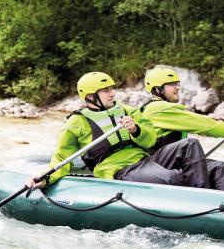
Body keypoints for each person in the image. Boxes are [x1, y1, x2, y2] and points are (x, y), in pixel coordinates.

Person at [26, 71, 163, 189]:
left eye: (112, 89)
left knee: (178, 148)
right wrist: (45, 179)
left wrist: (136, 130)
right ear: (90, 96)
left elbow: (151, 140)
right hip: (118, 169)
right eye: (105, 91)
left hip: (145, 159)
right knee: (169, 177)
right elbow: (62, 159)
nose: (112, 93)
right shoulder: (76, 122)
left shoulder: (128, 111)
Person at [136, 66, 224, 191]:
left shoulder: (153, 107)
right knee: (191, 145)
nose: (177, 87)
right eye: (171, 84)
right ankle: (201, 197)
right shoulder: (158, 108)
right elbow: (200, 124)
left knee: (223, 169)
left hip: (172, 163)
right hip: (159, 167)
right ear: (157, 89)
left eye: (177, 84)